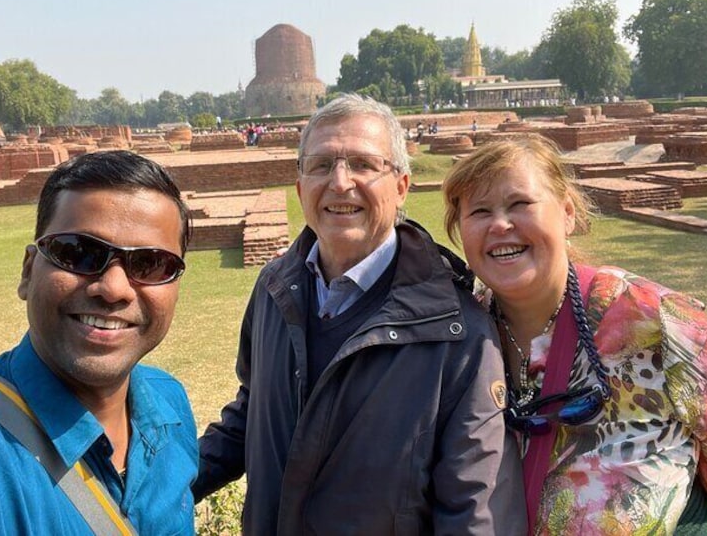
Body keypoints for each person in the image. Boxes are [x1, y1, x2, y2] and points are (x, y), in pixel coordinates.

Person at [194, 93, 526, 535]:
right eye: (320, 165)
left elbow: (470, 511)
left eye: (364, 164)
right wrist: (159, 487)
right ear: (300, 189)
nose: (340, 182)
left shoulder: (456, 332)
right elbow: (253, 414)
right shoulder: (275, 289)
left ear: (401, 186)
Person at [443, 136, 707, 535]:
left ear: (567, 212)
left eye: (520, 204)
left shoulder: (655, 321)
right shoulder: (460, 334)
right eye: (479, 211)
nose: (500, 224)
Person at [0, 151, 198, 534]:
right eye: (78, 253)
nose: (114, 288)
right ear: (27, 271)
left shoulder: (169, 405)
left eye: (152, 264)